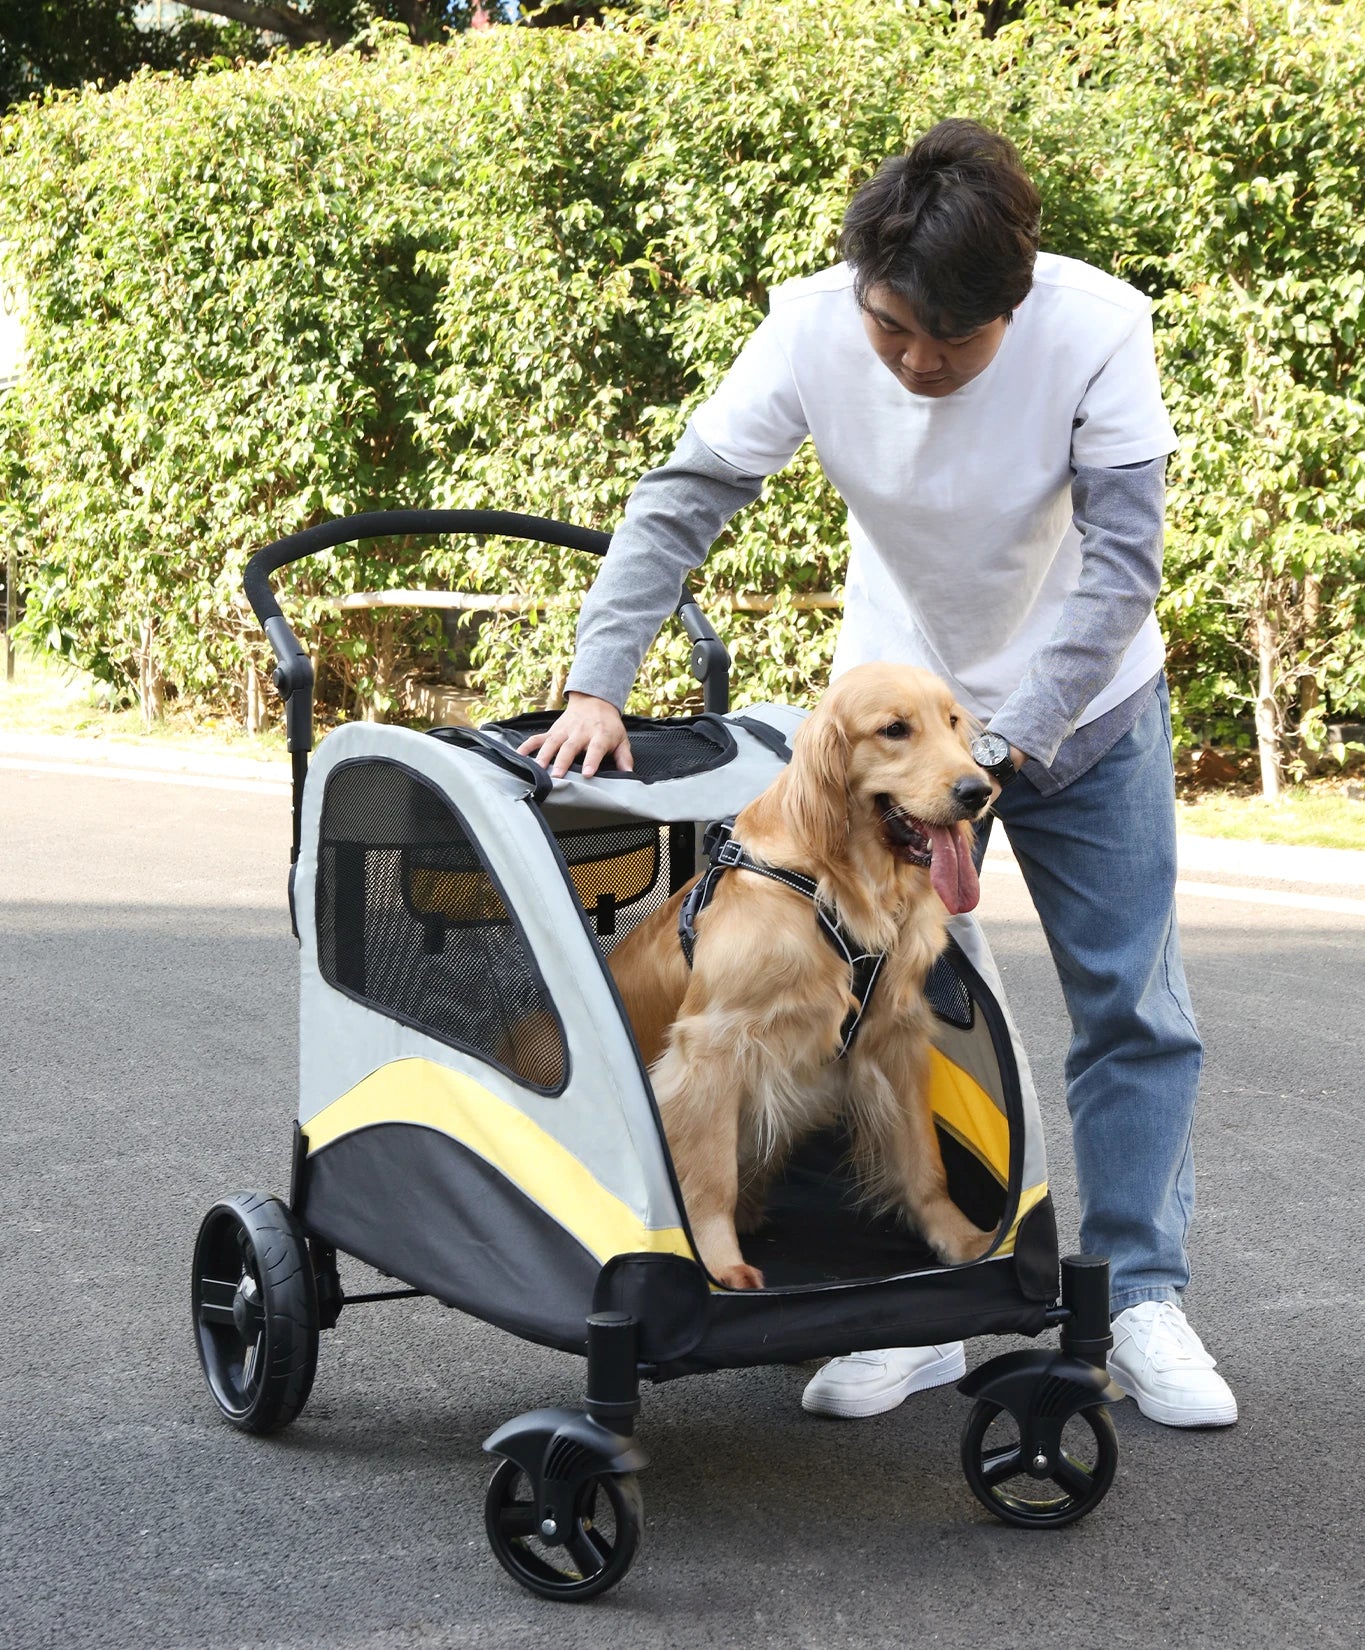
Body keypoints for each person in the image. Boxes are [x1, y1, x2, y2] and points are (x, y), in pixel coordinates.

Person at [521, 119, 1236, 1429]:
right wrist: (595, 680)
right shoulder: (806, 327)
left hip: (1080, 712)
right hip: (890, 716)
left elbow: (1123, 567)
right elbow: (680, 497)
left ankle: (1138, 1297)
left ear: (1011, 308)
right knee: (864, 1003)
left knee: (1132, 1007)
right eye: (889, 328)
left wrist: (1003, 740)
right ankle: (915, 1304)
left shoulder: (1098, 329)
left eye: (947, 346)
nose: (911, 360)